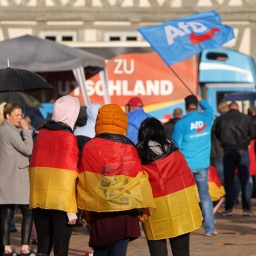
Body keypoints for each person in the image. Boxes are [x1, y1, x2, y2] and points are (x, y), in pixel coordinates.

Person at [77, 104, 156, 256]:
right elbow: (137, 178)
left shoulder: (89, 147)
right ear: (122, 122)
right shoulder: (128, 148)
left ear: (99, 121)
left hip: (99, 208)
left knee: (100, 250)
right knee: (119, 251)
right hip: (124, 208)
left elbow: (84, 179)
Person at [136, 117, 202, 256]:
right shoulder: (175, 151)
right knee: (182, 252)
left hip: (153, 210)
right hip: (179, 207)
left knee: (157, 252)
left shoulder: (138, 156)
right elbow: (187, 178)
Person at [29, 95, 80, 256]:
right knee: (61, 247)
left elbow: (34, 168)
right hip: (61, 203)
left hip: (39, 198)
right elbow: (70, 174)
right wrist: (71, 211)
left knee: (43, 247)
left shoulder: (41, 134)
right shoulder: (69, 138)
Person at [172, 94, 216, 236]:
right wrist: (201, 99)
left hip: (186, 166)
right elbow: (210, 109)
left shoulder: (181, 124)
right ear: (197, 106)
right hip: (203, 164)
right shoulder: (207, 118)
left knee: (184, 196)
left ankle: (184, 227)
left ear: (186, 107)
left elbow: (175, 145)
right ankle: (210, 229)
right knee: (205, 197)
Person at [0, 103, 35, 256]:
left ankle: (6, 249)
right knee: (27, 213)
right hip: (18, 179)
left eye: (21, 115)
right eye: (17, 115)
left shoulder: (2, 130)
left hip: (6, 178)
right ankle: (25, 248)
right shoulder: (11, 132)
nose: (20, 118)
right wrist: (26, 130)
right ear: (8, 116)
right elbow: (28, 149)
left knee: (7, 215)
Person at [215, 101, 256, 216]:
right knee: (245, 180)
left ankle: (229, 207)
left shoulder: (221, 119)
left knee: (229, 180)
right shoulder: (246, 118)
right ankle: (246, 208)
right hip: (242, 150)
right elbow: (253, 134)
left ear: (229, 108)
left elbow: (217, 133)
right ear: (238, 108)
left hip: (228, 151)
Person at [210, 102, 229, 184]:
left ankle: (221, 192)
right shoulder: (229, 121)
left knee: (219, 174)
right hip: (227, 150)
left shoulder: (217, 121)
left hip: (217, 152)